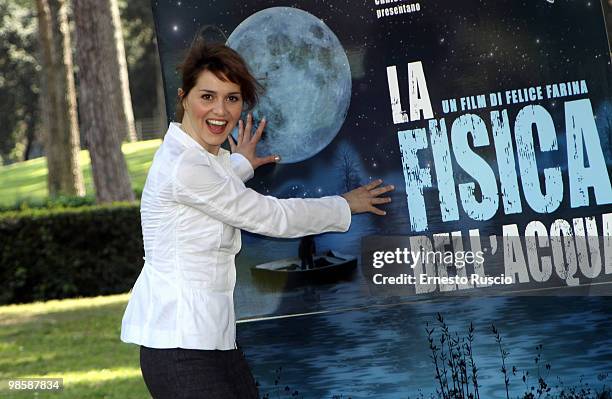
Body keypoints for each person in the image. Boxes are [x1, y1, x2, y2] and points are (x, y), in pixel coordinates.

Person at [120, 39, 394, 399]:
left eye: (232, 98)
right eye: (208, 96)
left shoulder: (200, 158)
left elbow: (213, 193)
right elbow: (269, 216)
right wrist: (344, 205)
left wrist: (241, 163)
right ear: (184, 96)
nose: (220, 109)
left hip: (209, 339)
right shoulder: (185, 164)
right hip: (179, 346)